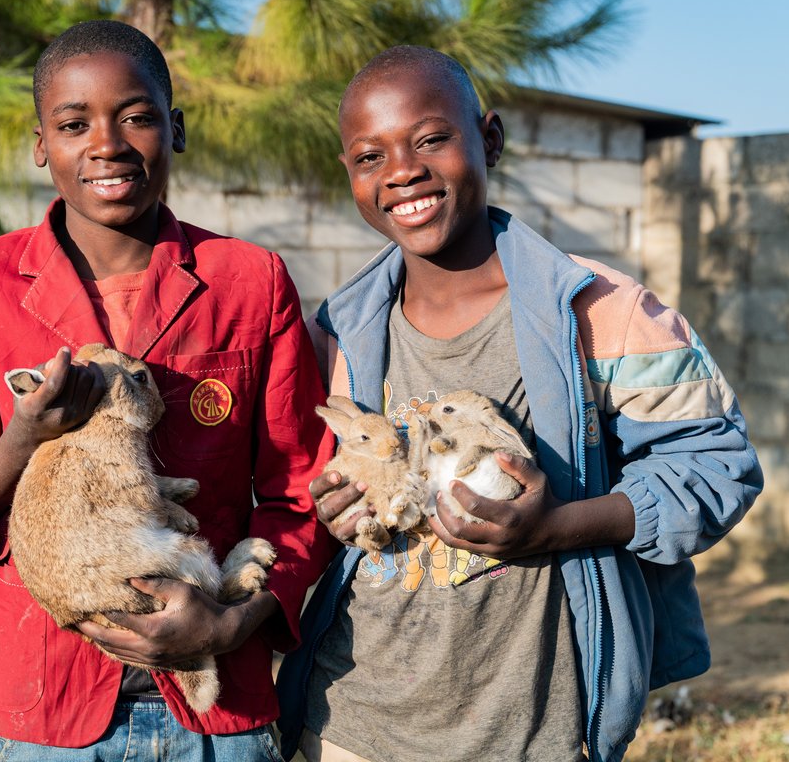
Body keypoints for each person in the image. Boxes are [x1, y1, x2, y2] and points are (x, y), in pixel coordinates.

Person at [275, 46, 763, 762]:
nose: (402, 170)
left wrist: (558, 526)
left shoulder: (602, 314)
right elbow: (316, 488)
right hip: (350, 720)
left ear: (490, 140)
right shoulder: (340, 332)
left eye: (432, 139)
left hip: (531, 728)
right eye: (369, 156)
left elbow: (716, 468)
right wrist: (340, 506)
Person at [0, 20, 333, 761]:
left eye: (136, 116)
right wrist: (24, 437)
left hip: (218, 703)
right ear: (42, 144)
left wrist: (238, 619)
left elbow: (304, 492)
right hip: (51, 713)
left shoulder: (248, 280)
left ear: (177, 128)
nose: (106, 143)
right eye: (74, 124)